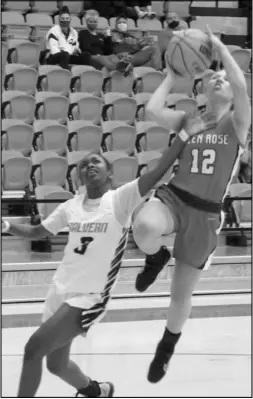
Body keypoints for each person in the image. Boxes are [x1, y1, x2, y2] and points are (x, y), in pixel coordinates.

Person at [2, 115, 204, 397]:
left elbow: (157, 171)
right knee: (56, 365)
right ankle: (98, 391)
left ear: (110, 174)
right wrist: (8, 225)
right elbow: (39, 231)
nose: (88, 166)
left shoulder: (120, 199)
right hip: (59, 289)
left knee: (32, 349)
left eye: (96, 162)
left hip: (89, 296)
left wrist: (183, 137)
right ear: (79, 176)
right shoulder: (70, 206)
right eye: (84, 165)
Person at [132, 26, 251, 383]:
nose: (218, 79)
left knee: (179, 295)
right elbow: (152, 110)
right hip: (175, 197)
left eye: (223, 78)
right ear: (201, 87)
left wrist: (220, 48)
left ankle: (166, 346)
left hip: (206, 212)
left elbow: (242, 86)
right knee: (145, 227)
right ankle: (156, 255)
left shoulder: (238, 123)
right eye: (212, 76)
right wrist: (171, 75)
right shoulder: (189, 119)